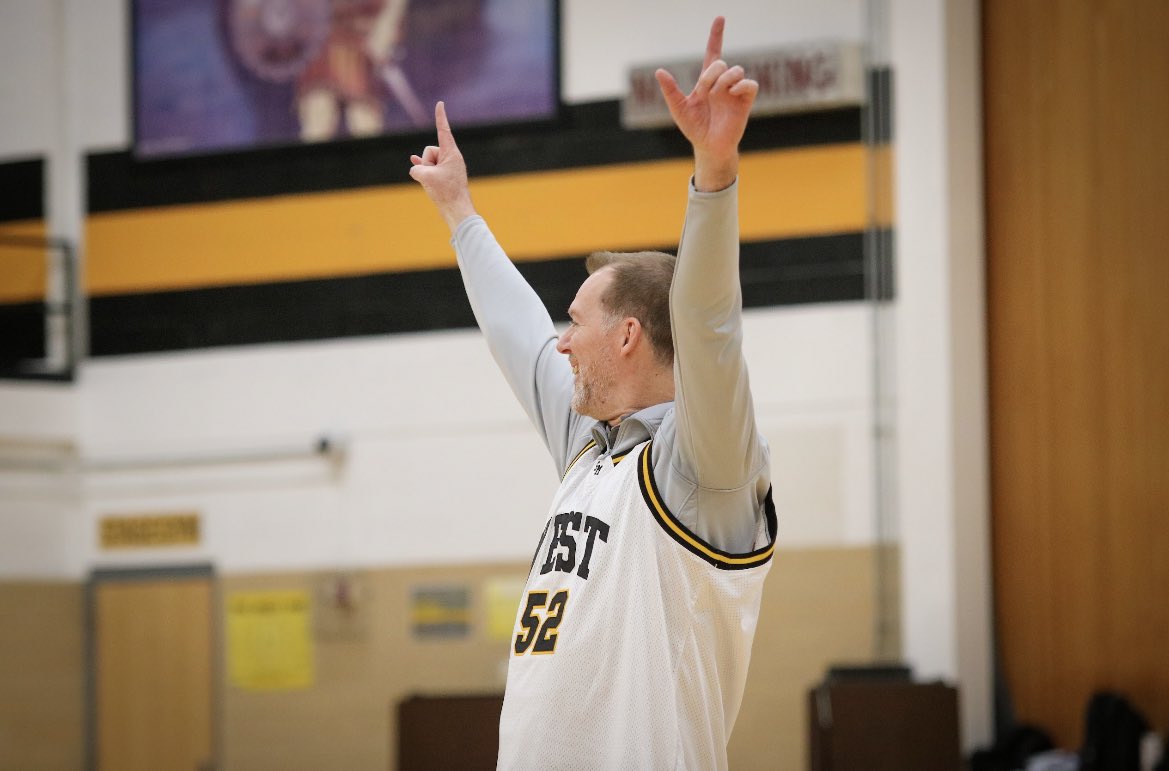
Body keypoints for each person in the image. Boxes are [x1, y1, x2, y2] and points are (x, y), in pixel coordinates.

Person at [409, 17, 775, 770]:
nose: (561, 341)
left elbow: (707, 326)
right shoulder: (589, 447)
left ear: (630, 336)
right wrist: (460, 214)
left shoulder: (701, 468)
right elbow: (516, 336)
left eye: (575, 322)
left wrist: (713, 172)